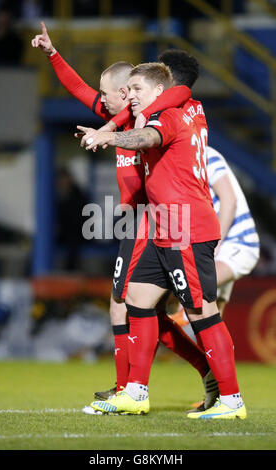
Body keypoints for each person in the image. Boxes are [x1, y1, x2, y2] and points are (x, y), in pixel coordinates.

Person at [31, 26, 218, 412]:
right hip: (139, 223)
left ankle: (128, 389)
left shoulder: (155, 120)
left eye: (108, 93)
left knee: (124, 305)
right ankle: (197, 372)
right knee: (147, 311)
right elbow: (79, 89)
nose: (98, 99)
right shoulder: (121, 117)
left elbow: (181, 92)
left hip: (151, 222)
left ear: (127, 93)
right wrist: (52, 54)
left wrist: (110, 131)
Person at [83, 60, 247, 420]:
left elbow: (148, 138)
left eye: (138, 90)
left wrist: (110, 135)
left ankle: (231, 400)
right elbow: (174, 98)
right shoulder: (189, 108)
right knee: (139, 300)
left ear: (161, 91)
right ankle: (135, 392)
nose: (131, 96)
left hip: (185, 225)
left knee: (202, 311)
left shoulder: (170, 115)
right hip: (164, 225)